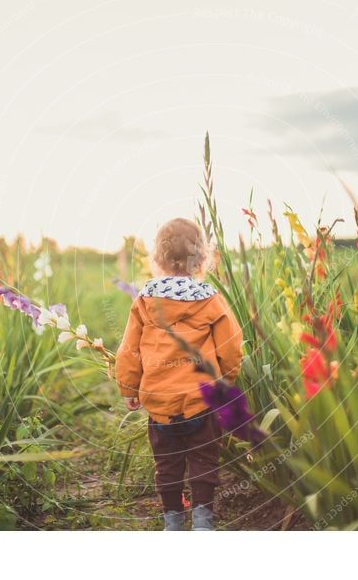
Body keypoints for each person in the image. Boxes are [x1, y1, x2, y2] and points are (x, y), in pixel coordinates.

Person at [114, 217, 243, 530]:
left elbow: (129, 349)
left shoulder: (145, 300)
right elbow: (230, 344)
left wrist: (130, 388)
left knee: (167, 464)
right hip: (202, 398)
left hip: (160, 403)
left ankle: (172, 521)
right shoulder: (211, 299)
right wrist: (227, 379)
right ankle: (202, 522)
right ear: (201, 258)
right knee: (204, 461)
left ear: (157, 259)